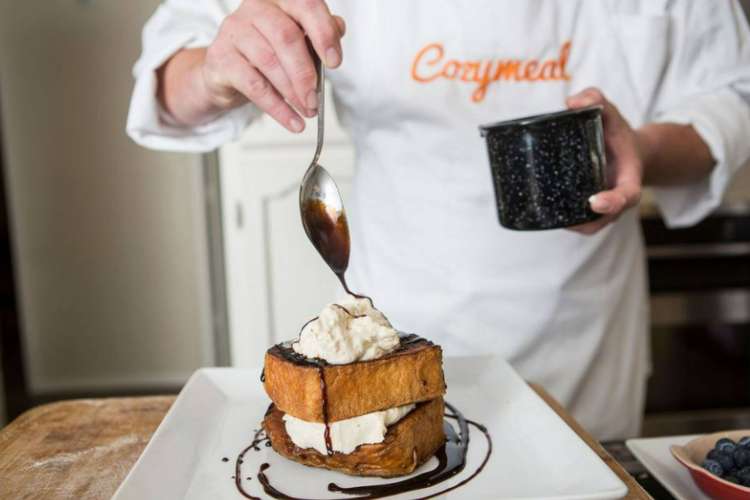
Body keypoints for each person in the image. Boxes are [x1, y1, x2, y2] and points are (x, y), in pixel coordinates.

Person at [127, 0, 750, 440]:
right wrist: (215, 70)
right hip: (394, 339)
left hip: (583, 347)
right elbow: (165, 87)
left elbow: (734, 95)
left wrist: (641, 149)